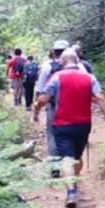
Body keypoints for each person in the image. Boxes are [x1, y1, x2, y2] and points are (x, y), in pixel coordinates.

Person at [34, 48, 105, 208]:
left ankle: (71, 192)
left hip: (62, 124)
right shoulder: (89, 77)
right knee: (77, 156)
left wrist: (36, 110)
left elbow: (43, 99)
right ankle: (74, 182)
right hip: (84, 124)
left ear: (62, 62)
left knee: (66, 158)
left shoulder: (57, 77)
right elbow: (100, 98)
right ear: (77, 61)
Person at [36, 41, 70, 177]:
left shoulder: (48, 66)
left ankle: (55, 168)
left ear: (54, 52)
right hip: (74, 107)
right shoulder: (78, 66)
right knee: (70, 135)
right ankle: (70, 166)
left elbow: (41, 88)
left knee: (52, 135)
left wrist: (37, 108)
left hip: (53, 106)